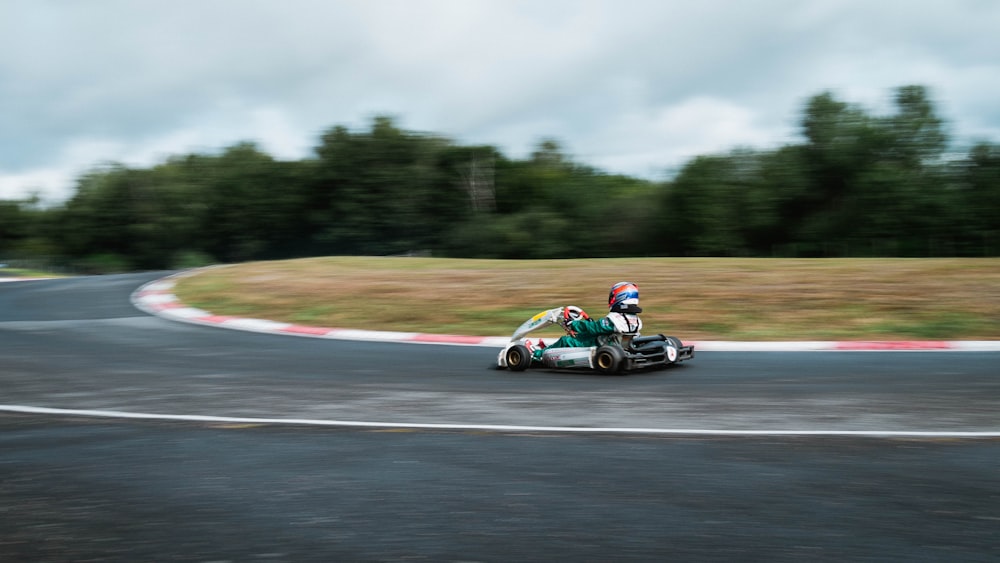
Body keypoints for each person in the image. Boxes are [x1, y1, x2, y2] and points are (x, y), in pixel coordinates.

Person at [529, 281, 644, 361]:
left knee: (566, 340)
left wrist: (573, 324)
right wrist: (588, 323)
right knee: (581, 336)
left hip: (601, 345)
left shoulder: (616, 319)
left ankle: (537, 355)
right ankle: (548, 347)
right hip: (614, 343)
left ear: (619, 297)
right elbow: (599, 328)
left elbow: (594, 327)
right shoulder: (634, 319)